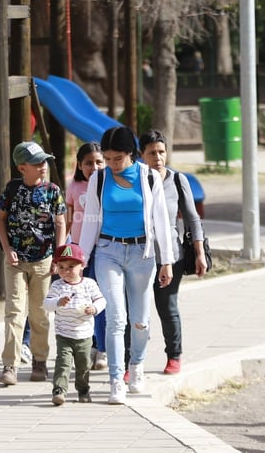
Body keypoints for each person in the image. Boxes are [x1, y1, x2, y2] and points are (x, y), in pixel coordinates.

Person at [79, 126, 175, 404]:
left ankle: (137, 365)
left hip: (142, 253)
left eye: (117, 158)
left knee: (140, 321)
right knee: (116, 318)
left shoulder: (149, 177)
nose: (111, 164)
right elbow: (91, 221)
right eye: (107, 158)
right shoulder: (98, 179)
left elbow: (161, 222)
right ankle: (115, 380)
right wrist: (81, 260)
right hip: (108, 251)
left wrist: (166, 261)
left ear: (131, 154)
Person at [0, 141, 67, 385]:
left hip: (43, 261)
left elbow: (60, 223)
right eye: (37, 163)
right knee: (14, 311)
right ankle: (10, 365)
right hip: (16, 260)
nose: (43, 166)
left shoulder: (52, 191)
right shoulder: (12, 189)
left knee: (40, 313)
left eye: (44, 161)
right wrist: (7, 250)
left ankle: (40, 361)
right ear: (22, 167)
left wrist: (58, 255)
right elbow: (0, 220)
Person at [139, 129, 207, 376]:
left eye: (161, 152)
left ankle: (174, 356)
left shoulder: (178, 180)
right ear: (141, 155)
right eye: (151, 153)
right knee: (137, 311)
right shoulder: (136, 181)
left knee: (167, 307)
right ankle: (134, 359)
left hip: (171, 257)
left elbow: (192, 219)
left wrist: (199, 254)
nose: (157, 157)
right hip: (139, 256)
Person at [43, 243, 106, 405]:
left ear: (82, 266)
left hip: (84, 334)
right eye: (61, 267)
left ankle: (83, 390)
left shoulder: (89, 284)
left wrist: (94, 308)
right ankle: (59, 390)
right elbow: (47, 304)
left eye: (71, 266)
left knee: (83, 364)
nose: (66, 271)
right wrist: (58, 302)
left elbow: (101, 300)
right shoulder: (57, 286)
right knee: (63, 362)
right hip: (64, 333)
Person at [65, 141, 107, 370]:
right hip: (79, 253)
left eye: (99, 162)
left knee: (99, 298)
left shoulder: (109, 184)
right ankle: (86, 345)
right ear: (79, 165)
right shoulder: (74, 187)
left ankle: (102, 349)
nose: (94, 167)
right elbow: (68, 219)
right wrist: (66, 247)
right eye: (88, 163)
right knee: (81, 299)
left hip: (103, 249)